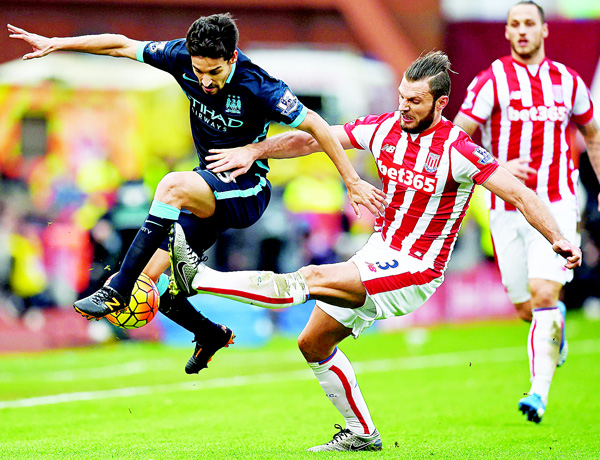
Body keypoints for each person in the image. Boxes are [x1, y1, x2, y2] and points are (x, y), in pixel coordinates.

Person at [167, 51, 582, 451]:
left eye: (415, 101)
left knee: (311, 277)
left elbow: (522, 195)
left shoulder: (458, 150)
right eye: (402, 96)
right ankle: (361, 433)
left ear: (441, 103)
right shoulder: (383, 127)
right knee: (312, 342)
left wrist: (557, 238)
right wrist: (256, 149)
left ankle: (199, 277)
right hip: (377, 253)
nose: (404, 106)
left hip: (417, 267)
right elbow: (315, 137)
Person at [8, 15, 384, 374]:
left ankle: (118, 289)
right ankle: (207, 333)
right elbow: (121, 45)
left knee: (171, 187)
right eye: (199, 71)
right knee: (156, 281)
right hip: (208, 189)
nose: (205, 81)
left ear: (232, 58)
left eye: (215, 72)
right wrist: (58, 43)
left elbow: (316, 124)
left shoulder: (259, 85)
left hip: (246, 190)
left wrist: (350, 180)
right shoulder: (180, 57)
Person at [453, 0, 600, 423]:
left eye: (528, 24)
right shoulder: (491, 80)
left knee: (543, 294)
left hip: (556, 202)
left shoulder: (568, 82)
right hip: (505, 206)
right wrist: (495, 166)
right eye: (514, 24)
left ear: (543, 30)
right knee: (524, 307)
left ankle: (538, 393)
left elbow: (592, 132)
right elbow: (458, 137)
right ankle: (554, 333)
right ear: (506, 32)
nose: (521, 30)